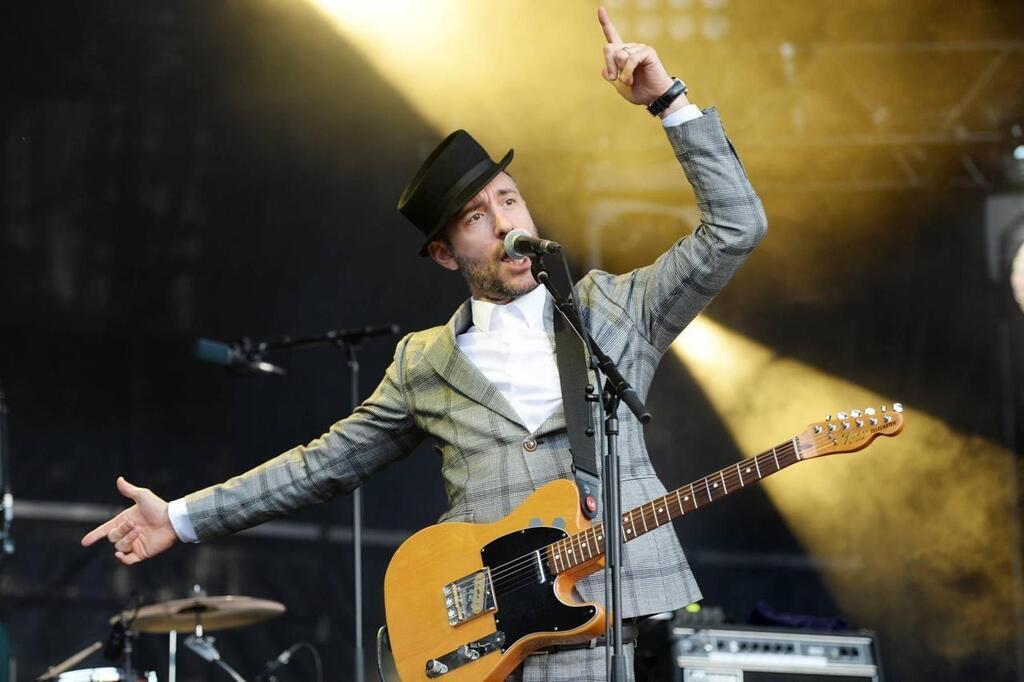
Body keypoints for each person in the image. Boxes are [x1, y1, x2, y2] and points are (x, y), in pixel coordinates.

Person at [82, 7, 766, 680]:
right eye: (476, 217)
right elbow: (321, 465)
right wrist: (181, 516)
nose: (503, 223)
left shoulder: (610, 308)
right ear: (444, 255)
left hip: (606, 615)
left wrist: (667, 102)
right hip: (481, 635)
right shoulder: (424, 363)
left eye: (509, 198)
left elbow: (735, 229)